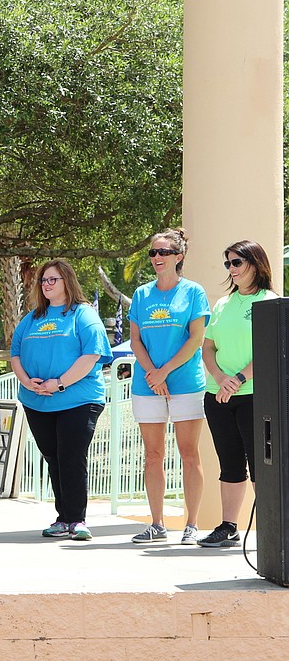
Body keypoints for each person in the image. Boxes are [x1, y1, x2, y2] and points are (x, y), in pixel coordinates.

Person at [11, 259, 113, 541]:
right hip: (37, 401)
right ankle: (62, 518)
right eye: (43, 280)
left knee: (71, 457)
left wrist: (59, 383)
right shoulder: (31, 319)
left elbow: (91, 355)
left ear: (67, 281)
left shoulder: (83, 315)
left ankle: (76, 519)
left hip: (77, 399)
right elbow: (15, 354)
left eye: (52, 279)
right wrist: (25, 380)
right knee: (53, 458)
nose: (46, 285)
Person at [127, 228, 209, 545]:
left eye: (163, 252)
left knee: (189, 454)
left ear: (178, 256)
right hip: (147, 384)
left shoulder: (193, 292)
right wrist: (153, 374)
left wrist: (166, 371)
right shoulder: (141, 295)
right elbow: (135, 340)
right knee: (153, 455)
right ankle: (157, 524)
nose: (157, 258)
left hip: (185, 382)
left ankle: (191, 524)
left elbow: (196, 339)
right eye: (153, 253)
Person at [198, 240, 277, 548]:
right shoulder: (222, 304)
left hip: (254, 394)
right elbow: (208, 347)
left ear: (255, 265)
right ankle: (229, 526)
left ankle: (272, 527)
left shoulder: (269, 301)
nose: (230, 269)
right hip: (217, 396)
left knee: (261, 463)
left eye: (236, 263)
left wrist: (240, 378)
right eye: (227, 263)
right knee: (229, 463)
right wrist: (219, 378)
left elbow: (269, 347)